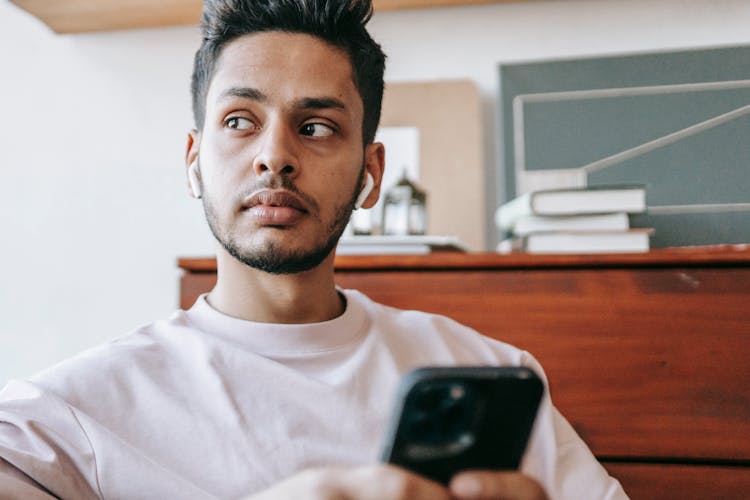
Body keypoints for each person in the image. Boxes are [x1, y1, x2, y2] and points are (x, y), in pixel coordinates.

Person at [0, 1, 627, 498]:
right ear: (194, 164)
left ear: (371, 175)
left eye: (316, 127)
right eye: (240, 120)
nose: (275, 155)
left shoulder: (488, 372)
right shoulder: (70, 414)